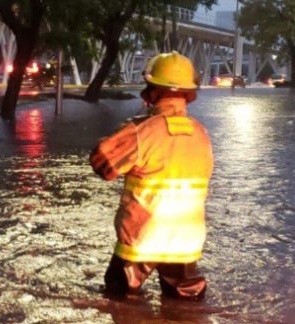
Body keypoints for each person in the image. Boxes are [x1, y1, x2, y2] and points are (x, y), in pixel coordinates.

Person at [89, 51, 213, 299]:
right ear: (188, 94)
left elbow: (102, 164)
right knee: (187, 307)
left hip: (142, 240)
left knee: (119, 301)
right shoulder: (202, 134)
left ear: (153, 91)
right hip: (186, 241)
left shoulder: (140, 131)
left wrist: (117, 136)